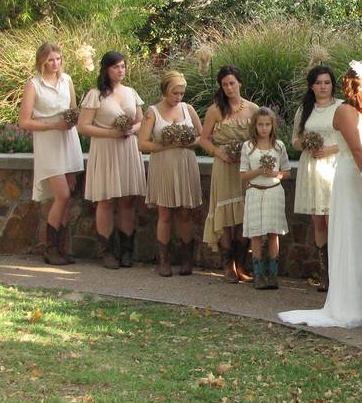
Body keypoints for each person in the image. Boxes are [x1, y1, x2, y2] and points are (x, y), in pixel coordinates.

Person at [280, 60, 362, 327]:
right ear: (359, 85)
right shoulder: (345, 112)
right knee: (353, 235)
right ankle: (351, 302)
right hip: (353, 178)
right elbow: (359, 150)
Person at [77, 51, 147, 269]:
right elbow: (83, 126)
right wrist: (112, 133)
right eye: (116, 66)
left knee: (127, 200)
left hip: (127, 149)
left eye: (123, 66)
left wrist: (130, 130)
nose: (121, 70)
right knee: (106, 200)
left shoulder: (131, 93)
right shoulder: (95, 95)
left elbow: (141, 121)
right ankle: (106, 251)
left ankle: (127, 250)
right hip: (106, 150)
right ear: (106, 69)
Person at [18, 42, 84, 265]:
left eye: (57, 59)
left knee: (66, 197)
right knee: (62, 195)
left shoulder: (67, 80)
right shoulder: (34, 85)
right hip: (48, 143)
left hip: (68, 141)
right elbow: (24, 121)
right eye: (50, 60)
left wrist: (72, 121)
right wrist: (53, 125)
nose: (54, 64)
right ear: (41, 61)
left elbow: (73, 111)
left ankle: (61, 248)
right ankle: (50, 248)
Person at [138, 71, 203, 276]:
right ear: (166, 90)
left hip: (185, 164)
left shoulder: (188, 109)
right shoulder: (152, 112)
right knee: (164, 213)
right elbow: (142, 143)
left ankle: (186, 259)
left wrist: (186, 142)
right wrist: (165, 145)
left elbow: (202, 136)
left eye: (182, 93)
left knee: (185, 213)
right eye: (175, 93)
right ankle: (164, 261)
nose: (179, 97)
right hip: (163, 165)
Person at [198, 65, 260, 283]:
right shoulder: (215, 110)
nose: (229, 88)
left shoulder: (253, 109)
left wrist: (249, 152)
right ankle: (228, 266)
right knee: (226, 216)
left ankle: (242, 264)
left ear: (240, 83)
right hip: (223, 167)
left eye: (232, 83)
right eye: (224, 85)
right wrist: (219, 153)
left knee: (243, 216)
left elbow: (262, 135)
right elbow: (203, 139)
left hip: (245, 167)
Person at [292, 65, 342, 292]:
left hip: (333, 166)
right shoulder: (305, 109)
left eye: (327, 82)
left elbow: (353, 139)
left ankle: (339, 270)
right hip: (311, 167)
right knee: (318, 220)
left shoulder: (341, 108)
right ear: (311, 86)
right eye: (318, 83)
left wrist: (329, 149)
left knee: (334, 219)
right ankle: (325, 273)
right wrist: (307, 145)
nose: (323, 86)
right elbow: (295, 140)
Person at [239, 107, 291, 290]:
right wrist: (259, 171)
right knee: (255, 232)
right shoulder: (248, 147)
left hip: (273, 191)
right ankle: (258, 275)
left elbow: (287, 172)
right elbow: (243, 175)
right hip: (255, 191)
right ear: (255, 125)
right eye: (260, 124)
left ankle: (273, 275)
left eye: (267, 124)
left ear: (272, 125)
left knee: (273, 232)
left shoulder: (279, 146)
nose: (264, 128)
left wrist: (275, 174)